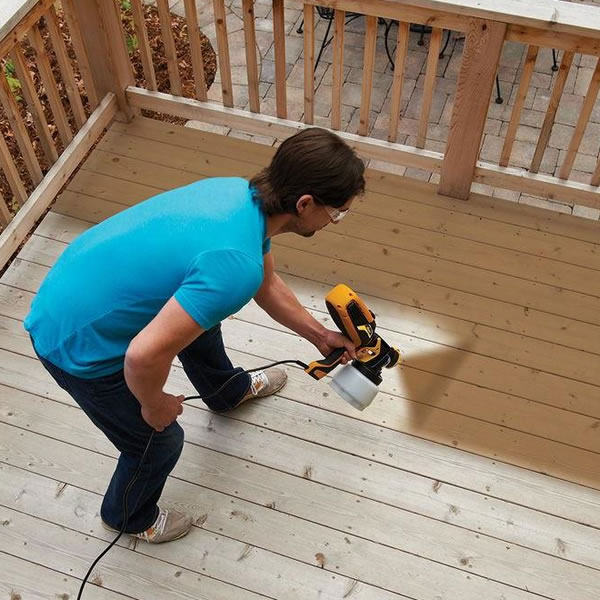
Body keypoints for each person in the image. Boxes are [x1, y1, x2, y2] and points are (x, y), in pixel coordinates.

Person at [24, 127, 366, 544]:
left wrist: (318, 336)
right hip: (76, 344)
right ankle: (128, 516)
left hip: (72, 292)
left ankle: (226, 391)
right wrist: (154, 406)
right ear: (305, 203)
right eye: (337, 213)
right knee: (159, 441)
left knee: (202, 322)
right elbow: (143, 357)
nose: (335, 222)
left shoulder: (239, 197)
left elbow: (266, 282)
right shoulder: (233, 263)